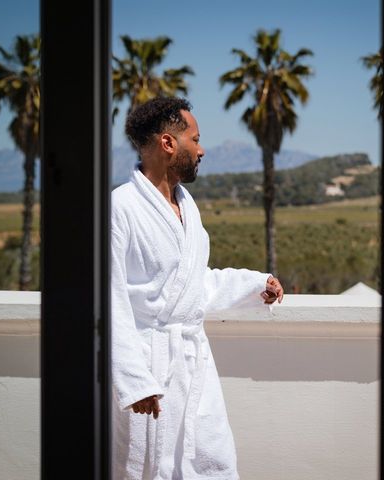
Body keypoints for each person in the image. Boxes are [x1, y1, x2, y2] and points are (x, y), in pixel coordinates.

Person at [111, 96, 284, 480]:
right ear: (168, 143)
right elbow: (110, 298)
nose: (202, 149)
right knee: (143, 467)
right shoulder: (119, 208)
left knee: (210, 459)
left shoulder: (187, 206)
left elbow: (192, 285)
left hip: (193, 364)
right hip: (148, 370)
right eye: (195, 138)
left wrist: (255, 286)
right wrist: (135, 380)